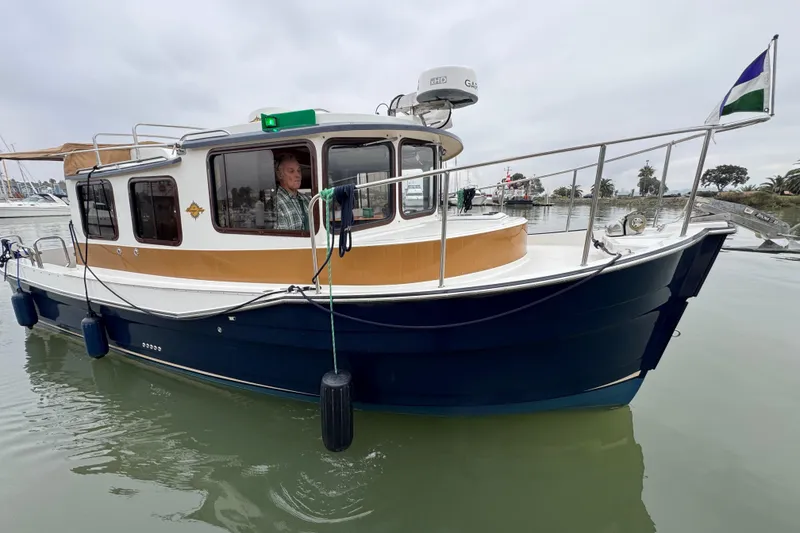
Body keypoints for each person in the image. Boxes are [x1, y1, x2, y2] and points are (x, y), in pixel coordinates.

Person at [273, 153, 310, 231]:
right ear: (279, 175)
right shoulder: (276, 204)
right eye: (291, 171)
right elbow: (283, 240)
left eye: (299, 171)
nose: (297, 175)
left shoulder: (307, 199)